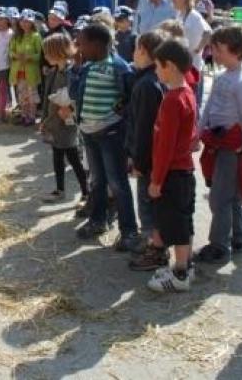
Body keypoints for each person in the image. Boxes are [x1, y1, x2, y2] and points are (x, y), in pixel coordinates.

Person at [194, 26, 242, 264]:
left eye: (219, 50)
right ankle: (239, 237)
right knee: (232, 195)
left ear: (236, 51)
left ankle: (219, 245)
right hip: (219, 143)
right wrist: (198, 132)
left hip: (233, 148)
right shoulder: (222, 77)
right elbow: (209, 107)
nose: (215, 54)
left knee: (220, 198)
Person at [72, 24, 140, 251]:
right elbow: (75, 94)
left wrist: (121, 115)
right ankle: (98, 220)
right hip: (89, 134)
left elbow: (130, 98)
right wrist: (76, 69)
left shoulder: (118, 67)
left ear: (97, 44)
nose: (78, 47)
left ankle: (129, 231)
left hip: (110, 135)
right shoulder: (87, 66)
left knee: (118, 183)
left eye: (81, 43)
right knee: (97, 181)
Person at [145, 38, 198, 293]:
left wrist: (156, 181)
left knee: (175, 225)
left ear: (171, 67)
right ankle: (185, 265)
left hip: (173, 174)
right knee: (184, 221)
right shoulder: (187, 92)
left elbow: (165, 146)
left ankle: (179, 274)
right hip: (184, 171)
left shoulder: (173, 101)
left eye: (158, 66)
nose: (156, 71)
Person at [125, 30, 170, 271]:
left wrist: (138, 162)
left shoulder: (147, 85)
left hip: (148, 159)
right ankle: (154, 244)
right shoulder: (152, 80)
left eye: (136, 49)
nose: (133, 54)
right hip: (152, 158)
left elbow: (144, 128)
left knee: (147, 206)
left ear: (144, 52)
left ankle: (156, 251)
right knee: (151, 204)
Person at [40, 32, 88, 203]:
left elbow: (77, 94)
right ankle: (60, 190)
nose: (45, 56)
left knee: (74, 157)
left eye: (47, 52)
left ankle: (86, 192)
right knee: (57, 155)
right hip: (55, 122)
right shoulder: (54, 71)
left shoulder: (71, 71)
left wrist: (69, 107)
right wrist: (44, 119)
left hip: (68, 123)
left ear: (57, 52)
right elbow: (48, 95)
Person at [170, 0, 212, 110]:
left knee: (193, 103)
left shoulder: (194, 16)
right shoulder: (179, 15)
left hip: (193, 66)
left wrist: (197, 49)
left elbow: (208, 33)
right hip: (182, 66)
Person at [9, 9, 43, 126]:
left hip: (31, 72)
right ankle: (24, 115)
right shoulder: (16, 36)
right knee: (22, 94)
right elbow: (10, 51)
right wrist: (16, 55)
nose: (25, 24)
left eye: (28, 21)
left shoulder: (36, 36)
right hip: (19, 71)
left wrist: (30, 57)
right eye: (23, 21)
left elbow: (40, 55)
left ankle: (32, 117)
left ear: (32, 23)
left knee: (32, 95)